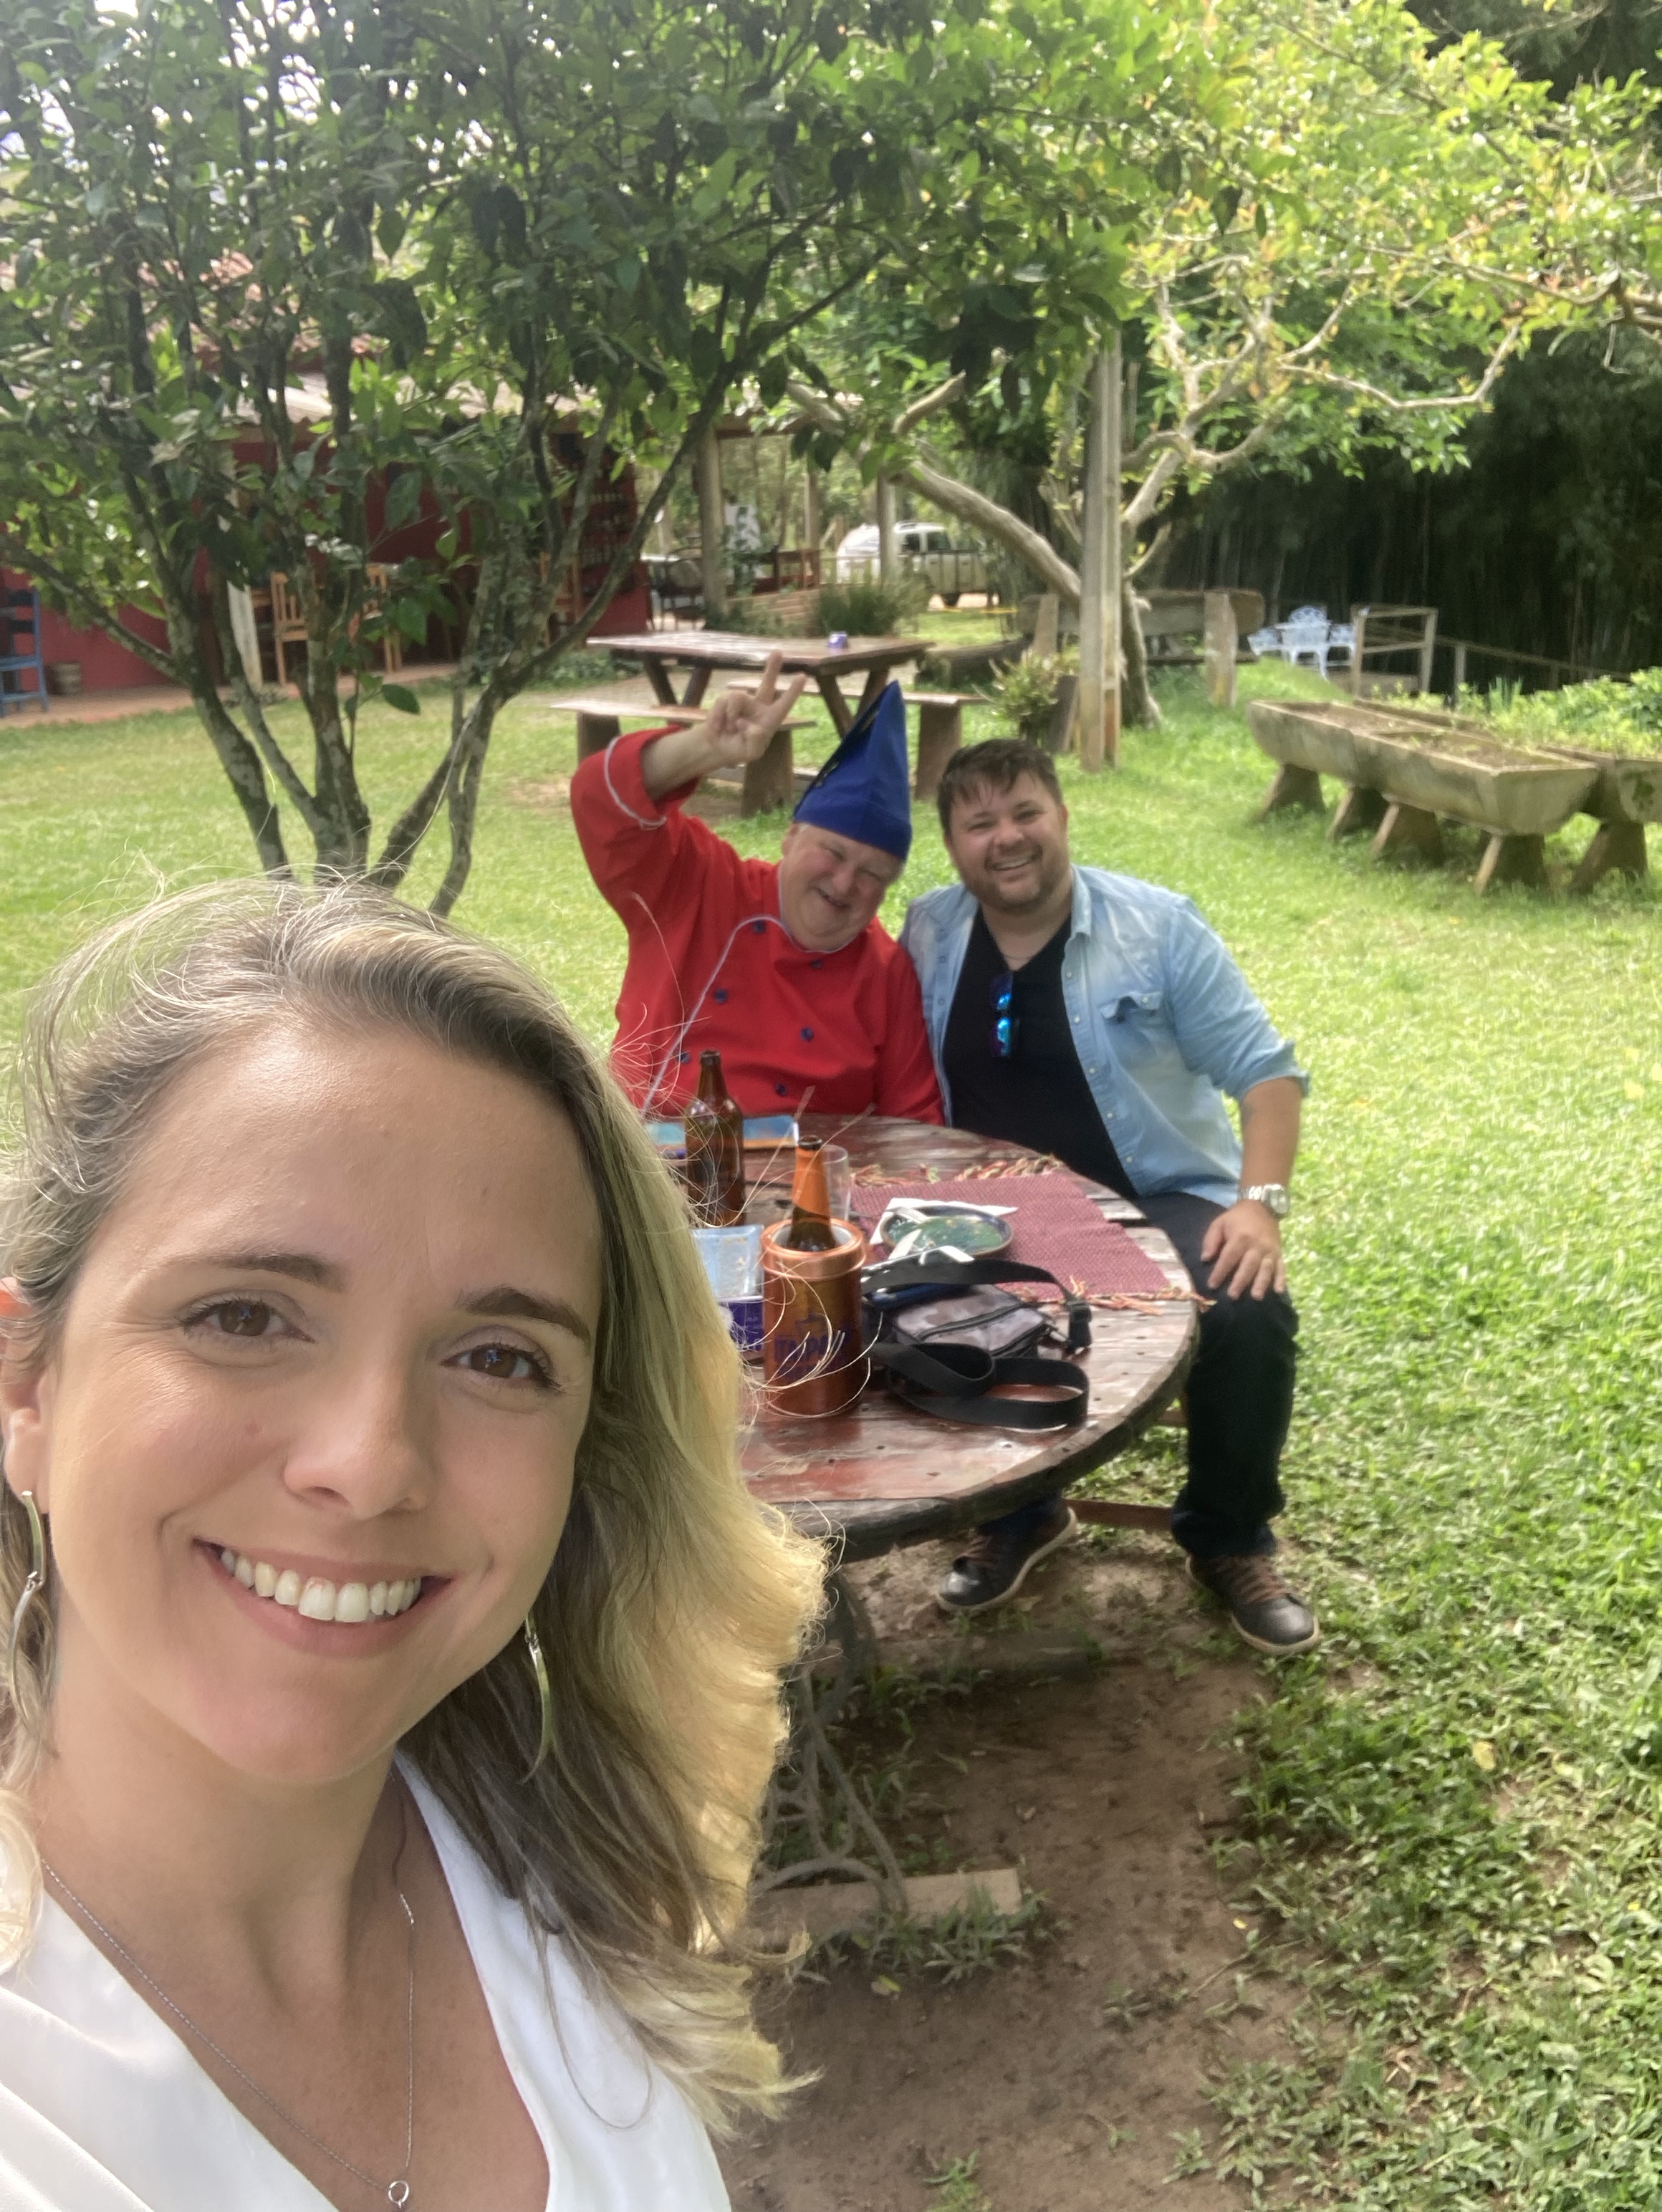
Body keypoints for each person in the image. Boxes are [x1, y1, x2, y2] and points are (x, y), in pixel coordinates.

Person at [0, 882, 825, 2211]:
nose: (372, 1460)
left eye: (498, 1356)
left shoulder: (565, 1876)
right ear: (25, 1388)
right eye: (244, 1316)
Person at [899, 738, 1317, 1655]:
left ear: (1061, 814)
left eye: (1025, 812)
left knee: (1247, 1307)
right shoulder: (928, 931)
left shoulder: (1156, 928)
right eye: (979, 823)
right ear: (953, 845)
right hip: (1002, 1210)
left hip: (1155, 1195)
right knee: (917, 1298)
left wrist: (1258, 1203)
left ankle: (1228, 1536)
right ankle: (1020, 1510)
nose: (1007, 838)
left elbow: (1267, 1075)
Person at [570, 656, 941, 1122]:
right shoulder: (700, 882)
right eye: (833, 852)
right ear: (790, 836)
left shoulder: (885, 972)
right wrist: (704, 748)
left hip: (813, 1170)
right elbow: (599, 798)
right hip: (654, 1155)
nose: (845, 883)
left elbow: (915, 1121)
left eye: (874, 875)